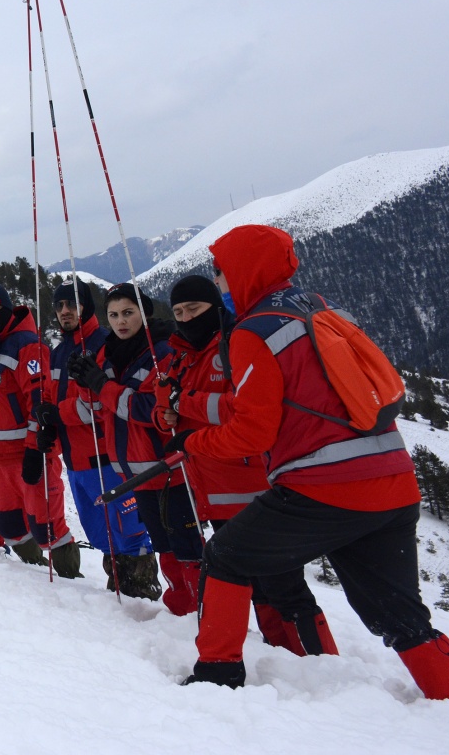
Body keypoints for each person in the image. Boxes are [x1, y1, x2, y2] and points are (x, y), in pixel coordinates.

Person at [173, 225, 449, 706]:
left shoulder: (253, 333)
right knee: (403, 619)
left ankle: (218, 676)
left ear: (245, 271)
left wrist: (196, 443)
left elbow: (253, 432)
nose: (221, 285)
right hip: (394, 481)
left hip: (325, 486)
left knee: (227, 556)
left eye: (223, 273)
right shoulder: (322, 311)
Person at [158, 274, 337, 655]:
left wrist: (184, 402)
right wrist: (168, 413)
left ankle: (319, 661)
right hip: (213, 487)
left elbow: (241, 409)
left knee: (284, 585)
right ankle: (283, 653)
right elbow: (165, 407)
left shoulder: (235, 346)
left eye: (195, 309)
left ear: (215, 307)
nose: (187, 318)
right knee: (256, 585)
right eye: (178, 312)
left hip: (254, 484)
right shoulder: (181, 355)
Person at [67, 283, 178, 604]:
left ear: (144, 313)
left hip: (164, 465)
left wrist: (101, 385)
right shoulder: (108, 351)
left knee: (172, 545)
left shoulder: (162, 352)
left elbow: (146, 409)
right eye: (113, 314)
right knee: (155, 542)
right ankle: (141, 608)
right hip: (128, 466)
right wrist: (85, 384)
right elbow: (101, 409)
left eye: (128, 313)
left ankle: (171, 608)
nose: (121, 321)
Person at [40, 280, 150, 587]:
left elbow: (104, 405)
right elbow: (51, 397)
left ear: (86, 306)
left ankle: (144, 596)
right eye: (59, 306)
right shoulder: (59, 352)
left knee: (130, 536)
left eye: (72, 304)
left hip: (107, 460)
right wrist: (48, 426)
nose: (65, 311)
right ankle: (119, 598)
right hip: (76, 464)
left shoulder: (104, 342)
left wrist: (57, 415)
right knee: (102, 538)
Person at [0, 281, 78, 573]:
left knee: (47, 528)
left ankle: (71, 581)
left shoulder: (28, 345)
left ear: (7, 308)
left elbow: (39, 402)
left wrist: (33, 449)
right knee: (10, 525)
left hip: (31, 454)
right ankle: (34, 575)